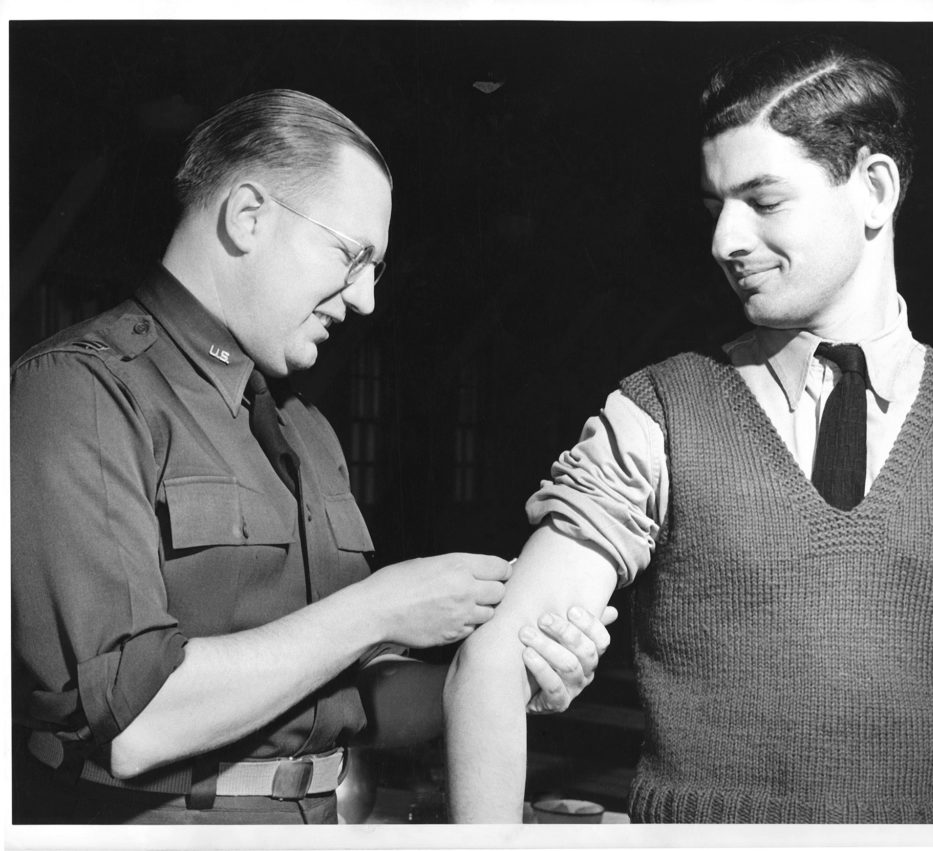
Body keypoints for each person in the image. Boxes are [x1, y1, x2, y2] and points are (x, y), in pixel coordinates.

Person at [444, 36, 933, 824]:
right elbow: (492, 661)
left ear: (875, 189)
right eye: (716, 208)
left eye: (764, 201)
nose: (724, 241)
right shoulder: (657, 415)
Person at [11, 88, 616, 826]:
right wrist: (381, 606)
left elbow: (361, 700)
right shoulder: (80, 390)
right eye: (351, 254)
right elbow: (141, 723)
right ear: (248, 216)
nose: (363, 299)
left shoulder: (305, 429)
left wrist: (502, 672)